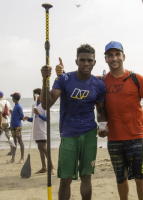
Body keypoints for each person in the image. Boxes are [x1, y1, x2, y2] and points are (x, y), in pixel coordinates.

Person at [56, 41, 143, 200]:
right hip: (114, 140)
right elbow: (81, 79)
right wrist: (62, 75)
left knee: (140, 178)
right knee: (121, 179)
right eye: (110, 55)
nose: (114, 58)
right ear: (105, 59)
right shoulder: (101, 81)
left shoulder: (136, 79)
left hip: (136, 137)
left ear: (123, 56)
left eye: (117, 54)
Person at [41, 44, 107, 200]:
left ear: (94, 62)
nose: (85, 63)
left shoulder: (99, 85)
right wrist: (45, 80)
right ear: (76, 61)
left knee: (86, 177)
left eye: (89, 60)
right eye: (82, 60)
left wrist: (103, 127)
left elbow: (101, 111)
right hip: (69, 133)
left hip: (90, 134)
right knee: (65, 179)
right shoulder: (64, 79)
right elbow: (46, 104)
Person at [23, 88, 55, 174]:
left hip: (42, 130)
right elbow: (33, 119)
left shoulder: (44, 106)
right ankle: (44, 167)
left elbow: (47, 119)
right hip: (36, 130)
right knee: (40, 148)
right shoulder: (34, 106)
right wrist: (27, 118)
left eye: (36, 95)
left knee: (44, 148)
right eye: (33, 95)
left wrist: (38, 113)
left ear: (41, 96)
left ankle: (51, 167)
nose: (34, 97)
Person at [0, 91, 15, 156]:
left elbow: (0, 113)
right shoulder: (7, 102)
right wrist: (12, 120)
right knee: (9, 136)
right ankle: (12, 150)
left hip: (1, 121)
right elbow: (11, 111)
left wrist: (0, 124)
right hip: (7, 121)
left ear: (0, 96)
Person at [7, 92, 24, 164]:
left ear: (14, 98)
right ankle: (13, 158)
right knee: (14, 142)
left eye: (12, 97)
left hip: (18, 126)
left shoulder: (19, 106)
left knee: (20, 141)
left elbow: (21, 116)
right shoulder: (16, 106)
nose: (12, 99)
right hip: (13, 126)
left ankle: (22, 158)